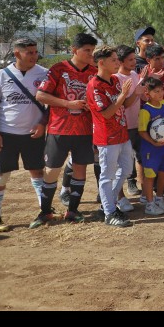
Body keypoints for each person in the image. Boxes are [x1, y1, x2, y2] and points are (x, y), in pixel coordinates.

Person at [34, 32, 98, 227]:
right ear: (74, 50)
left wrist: (90, 106)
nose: (90, 54)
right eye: (87, 50)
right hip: (59, 129)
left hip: (84, 130)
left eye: (92, 50)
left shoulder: (94, 72)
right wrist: (68, 103)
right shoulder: (58, 69)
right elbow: (41, 95)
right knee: (52, 170)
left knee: (80, 169)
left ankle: (73, 210)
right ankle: (45, 212)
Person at [0, 38, 49, 232]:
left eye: (35, 52)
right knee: (1, 175)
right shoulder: (1, 75)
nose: (34, 56)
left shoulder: (44, 74)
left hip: (33, 134)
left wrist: (42, 124)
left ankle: (45, 211)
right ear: (17, 53)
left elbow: (51, 104)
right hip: (6, 133)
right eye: (29, 53)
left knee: (37, 171)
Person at [86, 46, 134, 227]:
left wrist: (134, 93)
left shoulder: (114, 80)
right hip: (107, 137)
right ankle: (109, 212)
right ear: (101, 63)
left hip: (122, 133)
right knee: (107, 175)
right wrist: (122, 95)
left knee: (127, 169)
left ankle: (109, 203)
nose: (117, 63)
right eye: (113, 60)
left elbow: (124, 105)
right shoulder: (94, 85)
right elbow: (106, 113)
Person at [114, 45, 147, 209]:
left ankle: (145, 192)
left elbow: (140, 97)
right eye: (130, 60)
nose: (134, 62)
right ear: (120, 61)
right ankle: (119, 197)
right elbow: (124, 104)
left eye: (134, 58)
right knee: (121, 163)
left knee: (141, 157)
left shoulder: (134, 74)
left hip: (137, 123)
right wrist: (137, 92)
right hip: (123, 126)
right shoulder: (115, 78)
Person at [138, 76, 164, 216]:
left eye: (161, 90)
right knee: (150, 175)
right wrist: (153, 142)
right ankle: (150, 204)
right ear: (148, 93)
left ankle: (159, 199)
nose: (160, 93)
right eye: (156, 91)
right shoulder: (145, 110)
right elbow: (142, 131)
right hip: (151, 149)